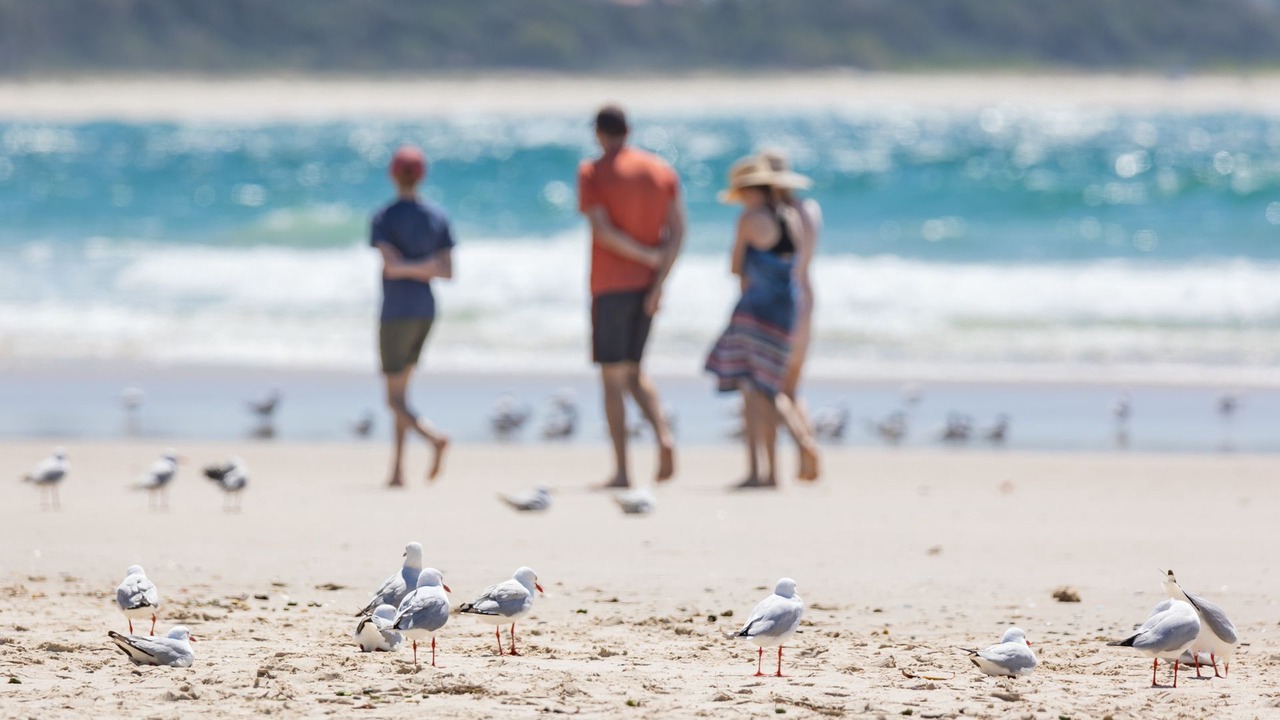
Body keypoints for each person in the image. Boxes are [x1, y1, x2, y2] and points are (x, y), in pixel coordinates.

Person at [577, 105, 684, 489]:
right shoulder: (661, 170)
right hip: (647, 288)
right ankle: (663, 436)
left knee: (612, 380)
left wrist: (646, 256)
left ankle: (623, 471)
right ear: (629, 129)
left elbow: (603, 232)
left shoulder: (592, 172)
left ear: (599, 134)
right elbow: (678, 231)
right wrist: (659, 281)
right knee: (635, 371)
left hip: (610, 285)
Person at [705, 156, 820, 488]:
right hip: (788, 308)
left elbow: (735, 266)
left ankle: (783, 455)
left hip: (756, 309)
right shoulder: (790, 216)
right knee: (770, 385)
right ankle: (769, 473)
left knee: (756, 389)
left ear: (748, 191)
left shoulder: (750, 218)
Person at [371, 145, 452, 487]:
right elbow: (444, 270)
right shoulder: (437, 217)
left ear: (393, 174)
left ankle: (432, 437)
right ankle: (397, 470)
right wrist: (423, 268)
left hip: (396, 312)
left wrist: (403, 267)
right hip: (425, 310)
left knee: (393, 398)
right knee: (403, 394)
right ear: (422, 175)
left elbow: (391, 267)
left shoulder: (384, 217)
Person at [760, 149, 822, 467]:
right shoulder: (810, 209)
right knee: (793, 387)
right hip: (809, 297)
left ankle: (800, 446)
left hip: (783, 302)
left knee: (770, 387)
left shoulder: (778, 215)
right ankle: (808, 450)